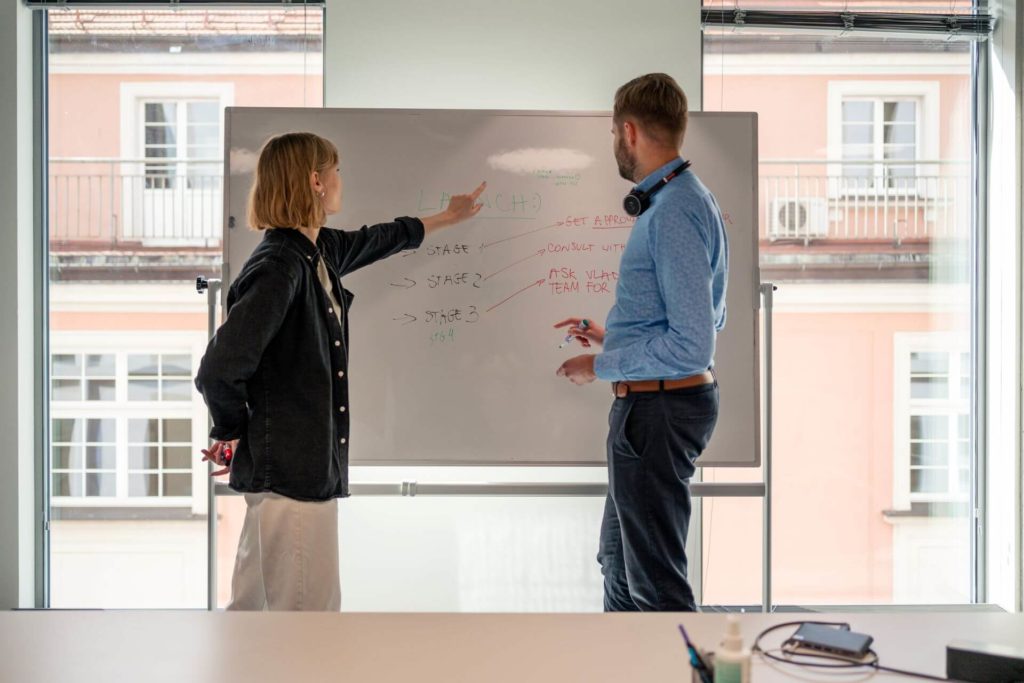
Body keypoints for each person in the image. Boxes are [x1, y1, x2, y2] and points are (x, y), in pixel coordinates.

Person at [195, 132, 484, 611]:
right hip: (291, 478)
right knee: (306, 623)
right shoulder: (280, 267)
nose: (339, 179)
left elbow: (378, 239)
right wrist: (232, 431)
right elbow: (220, 369)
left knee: (265, 617)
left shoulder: (317, 252)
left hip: (299, 473)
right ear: (315, 182)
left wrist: (447, 217)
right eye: (335, 170)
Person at [555, 73, 729, 612]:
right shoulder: (681, 200)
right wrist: (616, 338)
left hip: (657, 410)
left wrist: (602, 363)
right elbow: (699, 318)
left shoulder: (674, 209)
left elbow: (694, 344)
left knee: (654, 587)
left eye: (612, 132)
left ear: (629, 132)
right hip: (653, 406)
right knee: (619, 563)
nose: (614, 143)